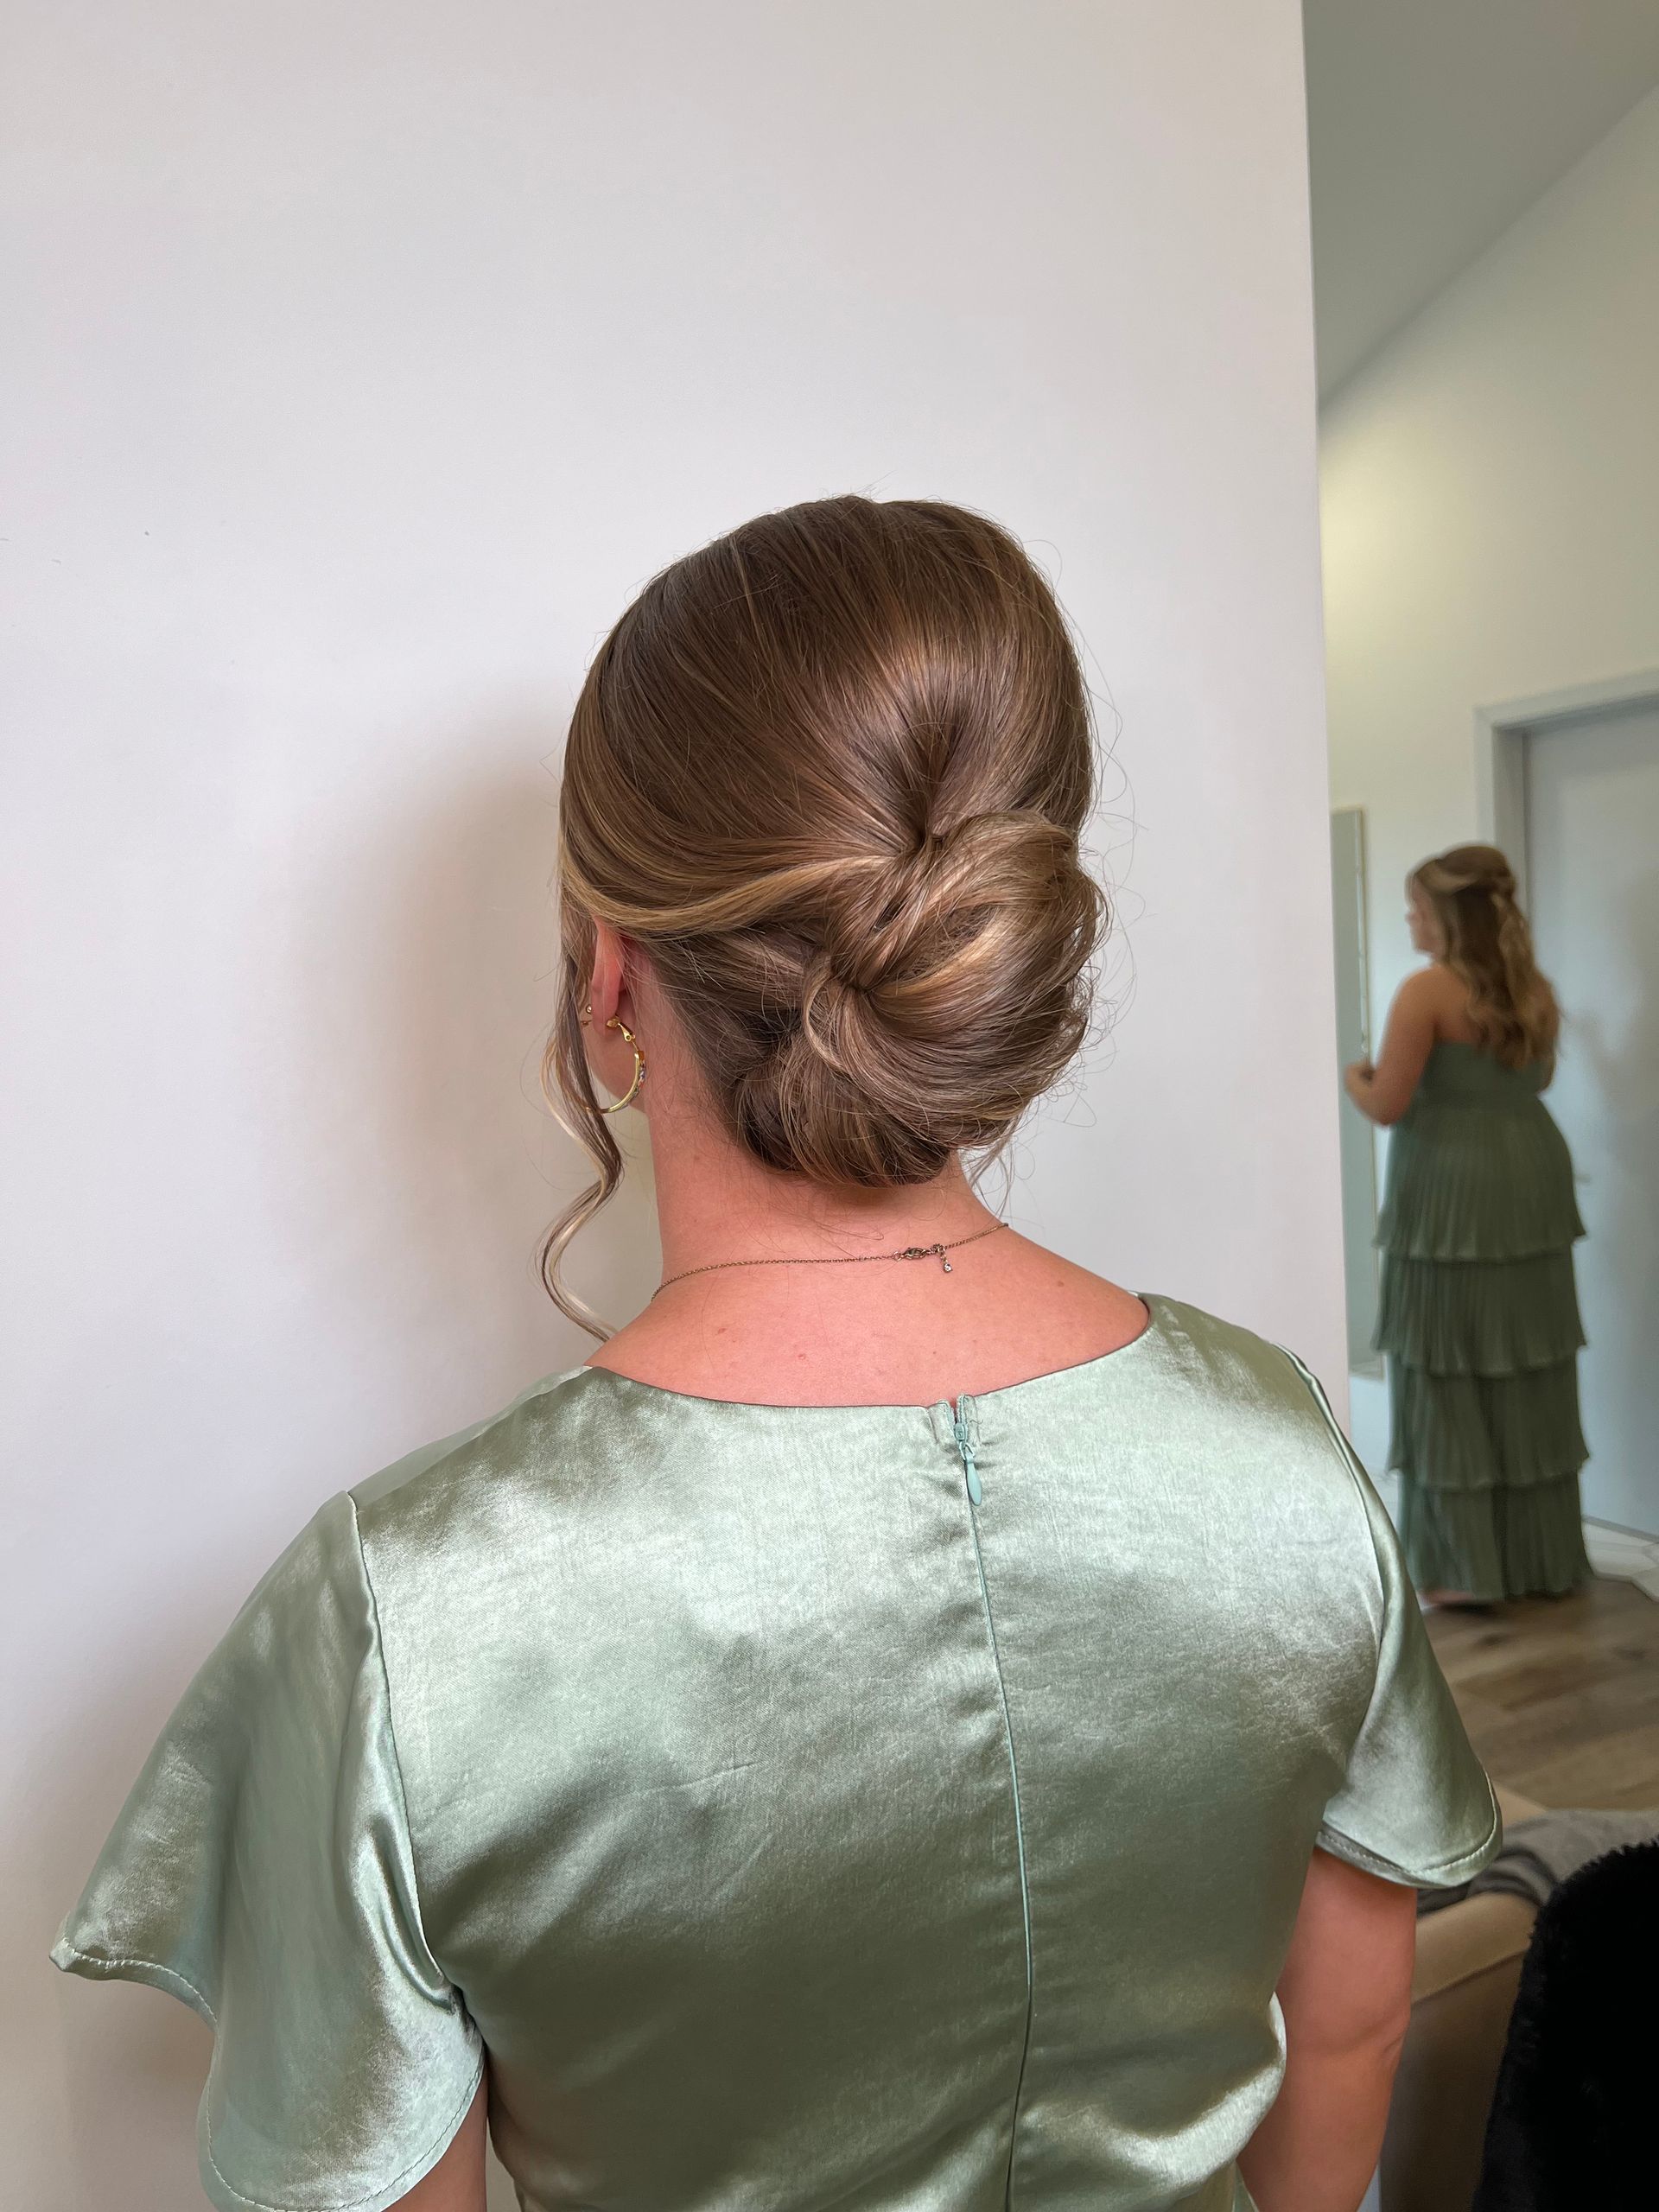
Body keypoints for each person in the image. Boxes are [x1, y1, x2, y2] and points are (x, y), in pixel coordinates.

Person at [54, 499, 1497, 2212]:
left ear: (609, 979)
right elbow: (1348, 2021)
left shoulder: (409, 1609)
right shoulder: (1284, 1447)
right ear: (996, 952)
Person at [1344, 845, 1589, 1606]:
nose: (1410, 919)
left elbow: (1387, 1103)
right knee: (1526, 1361)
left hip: (1450, 1183)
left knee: (1443, 1358)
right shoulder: (1534, 989)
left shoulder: (1426, 991)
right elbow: (1536, 1080)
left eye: (1417, 906)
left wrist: (1349, 1074)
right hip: (1528, 1176)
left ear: (1449, 913)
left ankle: (1460, 1573)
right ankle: (1533, 1564)